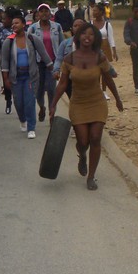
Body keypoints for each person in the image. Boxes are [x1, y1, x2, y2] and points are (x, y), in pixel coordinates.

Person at [50, 23, 124, 190]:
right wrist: (53, 104)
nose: (87, 37)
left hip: (97, 102)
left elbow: (108, 78)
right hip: (78, 103)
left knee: (95, 138)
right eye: (84, 34)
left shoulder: (99, 57)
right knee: (83, 141)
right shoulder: (69, 59)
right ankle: (82, 155)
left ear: (95, 38)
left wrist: (117, 98)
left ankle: (91, 176)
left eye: (91, 34)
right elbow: (62, 84)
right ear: (78, 36)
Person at [0, 12, 52, 139]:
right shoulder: (9, 41)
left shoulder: (32, 39)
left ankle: (31, 127)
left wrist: (52, 67)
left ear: (23, 24)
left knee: (29, 101)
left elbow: (44, 54)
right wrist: (5, 79)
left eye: (17, 23)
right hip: (15, 77)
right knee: (18, 102)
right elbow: (4, 62)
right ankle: (22, 120)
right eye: (12, 24)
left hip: (30, 76)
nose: (14, 25)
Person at [27, 4, 63, 122]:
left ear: (50, 13)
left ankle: (52, 114)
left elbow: (62, 45)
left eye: (46, 11)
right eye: (41, 11)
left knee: (52, 89)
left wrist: (61, 62)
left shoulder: (57, 27)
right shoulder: (32, 28)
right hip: (38, 63)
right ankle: (42, 107)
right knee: (39, 90)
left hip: (53, 63)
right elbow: (29, 47)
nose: (44, 13)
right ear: (38, 14)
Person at [0, 6, 16, 115]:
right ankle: (8, 101)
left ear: (11, 19)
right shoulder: (0, 31)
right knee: (7, 82)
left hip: (18, 61)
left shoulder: (17, 29)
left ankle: (18, 100)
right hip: (5, 61)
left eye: (5, 19)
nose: (3, 21)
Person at [91, 2, 118, 99]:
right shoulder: (91, 24)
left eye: (95, 10)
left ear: (101, 12)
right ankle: (97, 90)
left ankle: (104, 91)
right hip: (94, 48)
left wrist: (114, 51)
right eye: (93, 10)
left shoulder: (107, 25)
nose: (93, 12)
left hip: (105, 47)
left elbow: (111, 38)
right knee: (96, 71)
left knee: (105, 71)